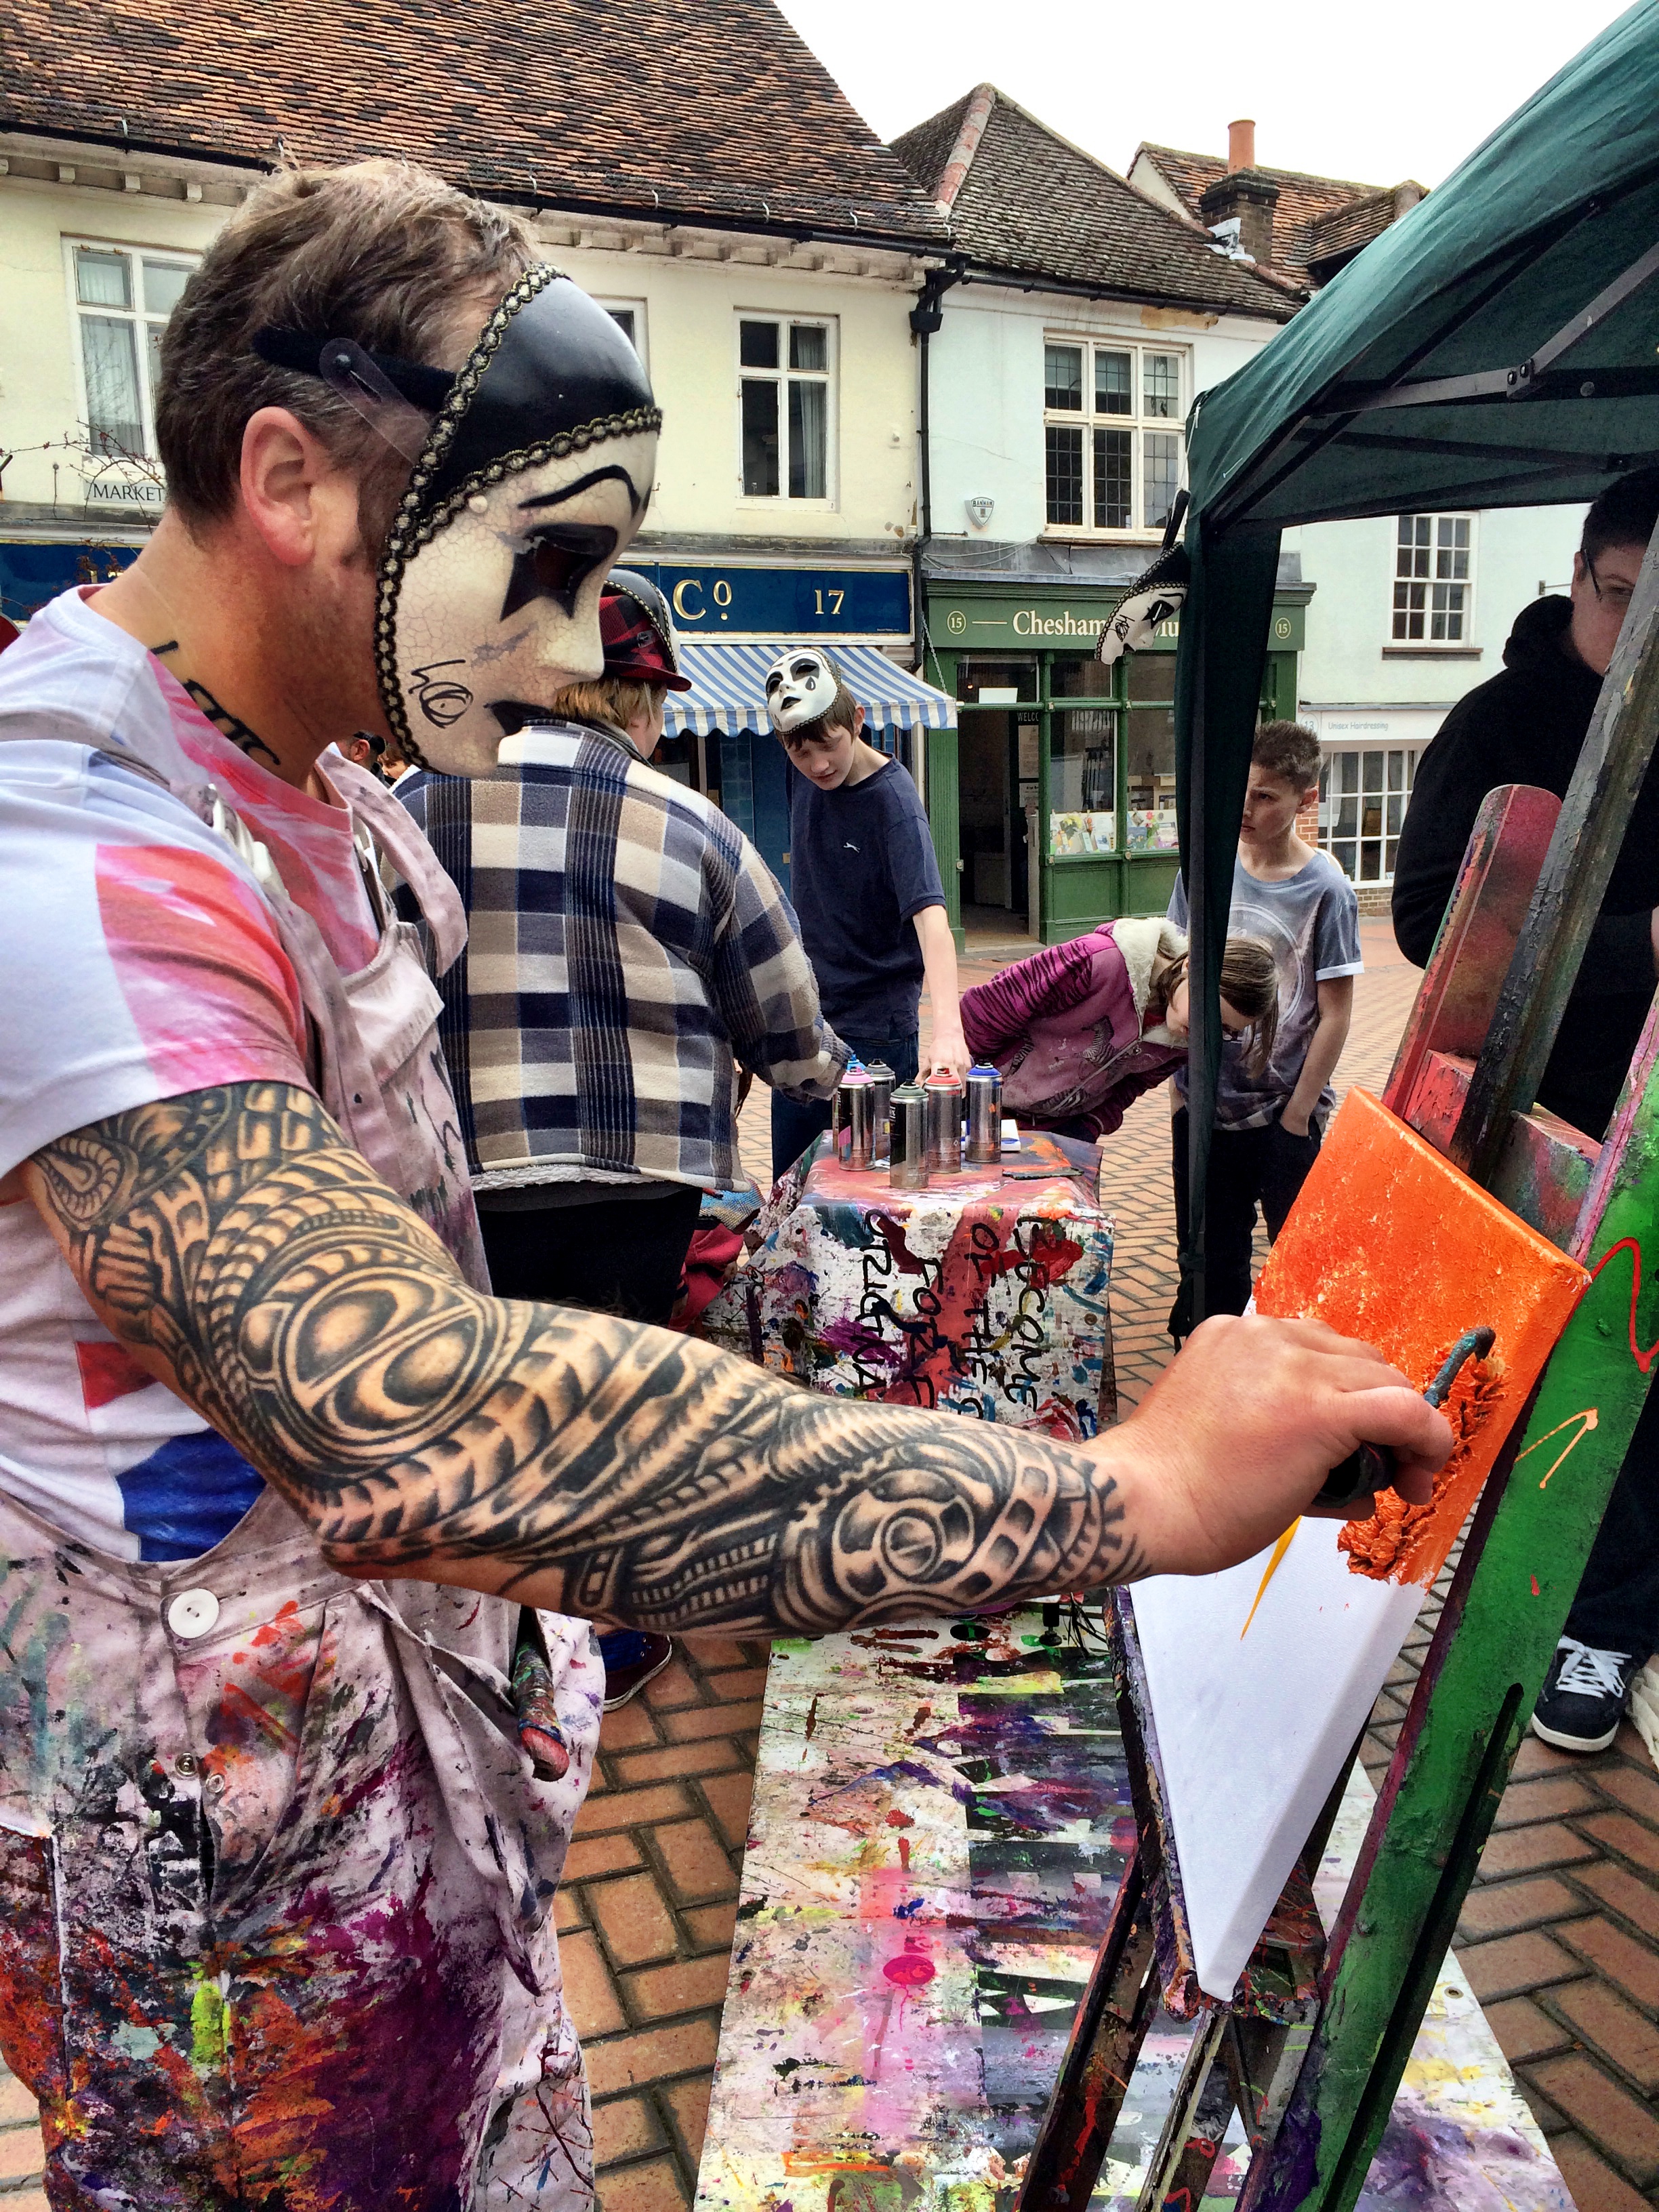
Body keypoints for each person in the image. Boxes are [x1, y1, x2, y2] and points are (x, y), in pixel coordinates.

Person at [0, 157, 1452, 2208]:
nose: (581, 642)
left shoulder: (307, 783)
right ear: (291, 480)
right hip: (238, 1915)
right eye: (551, 561)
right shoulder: (72, 851)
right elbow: (416, 1413)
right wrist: (1125, 1491)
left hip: (395, 1796)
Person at [399, 569, 847, 1707]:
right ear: (637, 700)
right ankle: (605, 1636)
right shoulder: (691, 824)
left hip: (462, 1174)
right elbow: (788, 1030)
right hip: (638, 1182)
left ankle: (503, 1642)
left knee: (489, 1409)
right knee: (612, 1405)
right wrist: (828, 1079)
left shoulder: (406, 804)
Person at [1393, 468, 1659, 1753]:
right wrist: (1635, 945)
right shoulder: (1497, 723)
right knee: (1578, 1377)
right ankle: (1583, 1614)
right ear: (1579, 578)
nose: (1641, 633)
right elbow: (1429, 926)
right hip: (1553, 1115)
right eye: (1622, 599)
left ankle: (1611, 1607)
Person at [1168, 720, 1362, 1321]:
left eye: (1265, 796)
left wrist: (1297, 1117)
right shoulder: (1206, 869)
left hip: (1284, 1111)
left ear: (1307, 799)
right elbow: (1174, 974)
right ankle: (1212, 1366)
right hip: (1204, 1108)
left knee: (1296, 1265)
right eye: (1240, 793)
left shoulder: (1327, 889)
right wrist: (1179, 1095)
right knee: (1210, 1266)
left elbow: (1335, 1013)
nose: (1246, 809)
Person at [765, 647, 969, 1179]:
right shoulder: (801, 775)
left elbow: (932, 922)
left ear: (857, 720)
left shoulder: (894, 804)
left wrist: (949, 1030)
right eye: (801, 753)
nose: (819, 765)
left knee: (871, 1194)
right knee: (792, 1187)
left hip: (875, 1034)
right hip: (807, 1023)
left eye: (830, 745)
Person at [960, 919, 1278, 1142]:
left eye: (1224, 1030)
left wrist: (1089, 1126)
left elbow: (1131, 1085)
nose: (1203, 1034)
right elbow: (985, 1012)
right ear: (1191, 967)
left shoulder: (1181, 1038)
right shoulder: (1097, 960)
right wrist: (969, 1093)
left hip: (1062, 1133)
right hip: (977, 1111)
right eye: (1207, 1013)